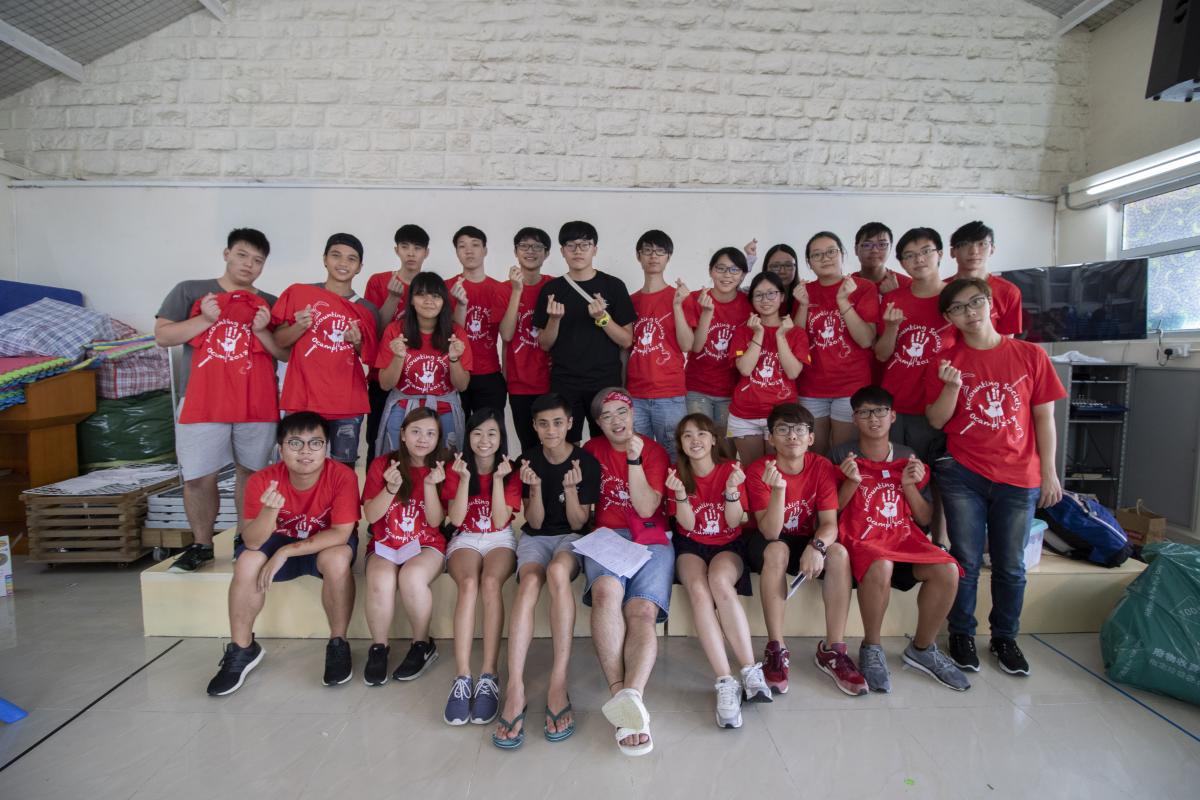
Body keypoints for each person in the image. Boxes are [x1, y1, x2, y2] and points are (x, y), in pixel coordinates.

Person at [926, 278, 1065, 677]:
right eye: (958, 308)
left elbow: (1044, 418)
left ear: (992, 304)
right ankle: (961, 634)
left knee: (1010, 564)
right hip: (964, 473)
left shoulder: (1030, 355)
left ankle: (1005, 637)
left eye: (975, 303)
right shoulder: (947, 360)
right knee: (965, 559)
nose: (969, 312)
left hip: (1020, 475)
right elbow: (936, 420)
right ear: (949, 317)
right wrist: (952, 387)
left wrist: (1050, 472)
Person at [155, 228, 284, 573]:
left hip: (256, 400)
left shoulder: (271, 302)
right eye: (242, 255)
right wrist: (204, 319)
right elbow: (163, 336)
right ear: (227, 254)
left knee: (253, 473)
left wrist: (262, 330)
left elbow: (285, 352)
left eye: (257, 260)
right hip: (202, 400)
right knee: (198, 476)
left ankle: (246, 540)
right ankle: (201, 544)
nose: (249, 265)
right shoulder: (191, 291)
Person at [206, 413, 359, 695]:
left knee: (338, 559)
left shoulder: (342, 476)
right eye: (295, 443)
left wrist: (287, 552)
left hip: (321, 545)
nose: (305, 452)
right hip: (274, 542)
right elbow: (252, 541)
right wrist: (270, 511)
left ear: (326, 447)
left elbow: (340, 533)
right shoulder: (262, 480)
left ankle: (338, 643)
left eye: (315, 443)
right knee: (247, 562)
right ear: (280, 448)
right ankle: (242, 648)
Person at [828, 387, 969, 693]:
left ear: (892, 416)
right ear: (854, 419)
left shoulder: (908, 457)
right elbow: (830, 512)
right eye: (865, 412)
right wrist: (850, 482)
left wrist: (909, 485)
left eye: (880, 411)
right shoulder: (841, 455)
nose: (873, 419)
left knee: (948, 569)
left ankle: (923, 648)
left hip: (903, 539)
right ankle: (872, 647)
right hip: (863, 541)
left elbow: (924, 517)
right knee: (881, 563)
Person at [493, 393, 601, 750]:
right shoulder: (528, 460)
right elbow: (535, 523)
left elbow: (579, 522)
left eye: (557, 423)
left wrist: (570, 489)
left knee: (556, 573)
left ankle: (558, 682)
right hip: (537, 537)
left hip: (572, 537)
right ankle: (515, 688)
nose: (551, 430)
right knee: (528, 583)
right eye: (543, 424)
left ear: (570, 423)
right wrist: (536, 488)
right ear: (534, 427)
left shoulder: (586, 462)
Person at [744, 403, 867, 697]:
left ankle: (832, 650)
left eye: (800, 430)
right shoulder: (760, 470)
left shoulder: (821, 466)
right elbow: (770, 532)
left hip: (806, 538)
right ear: (770, 438)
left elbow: (829, 523)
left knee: (838, 553)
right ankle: (776, 648)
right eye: (783, 430)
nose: (792, 436)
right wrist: (779, 490)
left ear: (811, 438)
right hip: (768, 539)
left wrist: (817, 545)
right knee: (777, 550)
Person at [581, 389, 671, 756]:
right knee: (605, 592)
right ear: (598, 423)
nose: (617, 421)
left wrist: (634, 460)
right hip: (608, 535)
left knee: (642, 610)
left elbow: (647, 508)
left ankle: (632, 696)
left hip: (651, 534)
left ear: (633, 413)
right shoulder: (591, 451)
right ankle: (623, 698)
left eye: (623, 411)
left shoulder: (654, 451)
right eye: (607, 416)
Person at [668, 413, 771, 730]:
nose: (695, 440)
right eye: (687, 435)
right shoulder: (676, 475)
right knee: (699, 592)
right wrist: (681, 495)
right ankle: (725, 681)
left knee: (719, 583)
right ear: (681, 444)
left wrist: (730, 490)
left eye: (701, 433)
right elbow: (688, 525)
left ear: (714, 439)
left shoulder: (731, 470)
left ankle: (750, 671)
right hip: (691, 544)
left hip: (728, 543)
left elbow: (733, 521)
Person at [361, 407, 453, 685]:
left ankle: (422, 645)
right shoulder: (383, 464)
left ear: (438, 438)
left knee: (412, 577)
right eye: (415, 431)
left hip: (426, 543)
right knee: (380, 579)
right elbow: (371, 516)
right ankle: (379, 648)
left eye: (430, 433)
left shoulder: (443, 467)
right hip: (386, 542)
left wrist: (430, 485)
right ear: (402, 434)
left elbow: (435, 522)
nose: (422, 439)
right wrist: (390, 489)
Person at [440, 409, 520, 726]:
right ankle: (462, 677)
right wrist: (464, 480)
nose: (484, 440)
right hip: (466, 537)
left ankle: (489, 674)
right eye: (477, 433)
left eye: (492, 433)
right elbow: (457, 519)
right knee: (469, 584)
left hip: (500, 537)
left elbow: (500, 520)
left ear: (501, 438)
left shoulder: (510, 470)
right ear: (468, 437)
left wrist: (498, 480)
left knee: (490, 583)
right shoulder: (456, 468)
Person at [272, 233, 381, 465]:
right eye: (336, 255)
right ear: (324, 259)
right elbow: (279, 341)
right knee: (299, 466)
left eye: (351, 259)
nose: (343, 263)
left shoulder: (367, 309)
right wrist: (299, 327)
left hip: (347, 401)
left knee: (344, 468)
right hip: (303, 398)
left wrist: (357, 342)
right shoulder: (299, 293)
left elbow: (371, 358)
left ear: (360, 267)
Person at [533, 221, 636, 443]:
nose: (577, 250)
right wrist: (554, 320)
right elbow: (545, 344)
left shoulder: (614, 286)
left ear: (595, 249)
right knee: (566, 444)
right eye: (571, 245)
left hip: (605, 381)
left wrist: (602, 318)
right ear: (562, 251)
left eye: (584, 244)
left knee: (609, 443)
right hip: (565, 381)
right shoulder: (551, 290)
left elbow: (626, 340)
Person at [875, 227, 956, 465]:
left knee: (935, 474)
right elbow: (881, 355)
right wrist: (892, 327)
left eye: (926, 251)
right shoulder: (894, 299)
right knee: (896, 471)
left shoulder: (955, 299)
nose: (919, 259)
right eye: (909, 255)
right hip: (896, 402)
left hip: (938, 404)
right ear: (901, 263)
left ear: (940, 254)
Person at [795, 231, 879, 457]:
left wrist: (843, 301)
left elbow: (866, 339)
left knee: (844, 455)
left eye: (831, 251)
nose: (825, 258)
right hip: (811, 387)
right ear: (809, 263)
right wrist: (802, 305)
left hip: (851, 386)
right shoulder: (804, 292)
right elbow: (797, 341)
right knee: (815, 454)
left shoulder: (862, 288)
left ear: (843, 254)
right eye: (817, 254)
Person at [375, 272, 472, 452]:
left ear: (444, 301)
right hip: (403, 407)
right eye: (421, 295)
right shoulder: (395, 330)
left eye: (435, 296)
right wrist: (398, 357)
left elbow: (462, 385)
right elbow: (385, 384)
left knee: (446, 464)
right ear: (411, 300)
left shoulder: (456, 333)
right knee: (397, 463)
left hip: (444, 408)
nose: (429, 301)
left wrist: (454, 358)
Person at [364, 224, 431, 462]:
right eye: (405, 247)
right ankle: (376, 483)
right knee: (378, 440)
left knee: (421, 444)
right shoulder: (379, 282)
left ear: (426, 253)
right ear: (396, 250)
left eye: (417, 248)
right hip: (383, 376)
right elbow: (375, 332)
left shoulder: (431, 286)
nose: (411, 253)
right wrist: (393, 298)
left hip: (420, 381)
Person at [727, 272, 810, 464]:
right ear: (751, 300)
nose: (765, 300)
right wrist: (758, 334)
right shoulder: (743, 331)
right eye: (758, 295)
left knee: (779, 470)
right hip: (744, 414)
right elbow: (745, 369)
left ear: (782, 297)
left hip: (782, 414)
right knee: (752, 469)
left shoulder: (796, 333)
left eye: (771, 293)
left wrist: (780, 336)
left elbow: (793, 372)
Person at [682, 247, 752, 457]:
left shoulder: (749, 305)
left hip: (732, 391)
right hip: (697, 388)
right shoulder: (696, 299)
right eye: (720, 268)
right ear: (710, 271)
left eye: (734, 270)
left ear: (742, 275)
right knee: (699, 450)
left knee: (725, 452)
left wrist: (751, 258)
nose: (727, 275)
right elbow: (695, 347)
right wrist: (707, 313)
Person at [628, 229, 690, 461]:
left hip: (669, 393)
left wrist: (677, 307)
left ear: (668, 257)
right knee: (639, 458)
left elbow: (687, 345)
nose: (653, 256)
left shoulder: (680, 296)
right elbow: (626, 346)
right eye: (648, 250)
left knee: (675, 456)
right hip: (636, 393)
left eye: (660, 251)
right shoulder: (630, 301)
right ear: (638, 256)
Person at [499, 227, 554, 455]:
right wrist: (517, 290)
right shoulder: (504, 289)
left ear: (547, 253)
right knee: (529, 448)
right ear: (515, 251)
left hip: (552, 381)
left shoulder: (554, 287)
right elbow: (507, 334)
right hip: (519, 382)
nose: (530, 251)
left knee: (553, 445)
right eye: (524, 246)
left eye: (537, 246)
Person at [449, 226, 511, 420]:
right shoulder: (446, 287)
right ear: (456, 252)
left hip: (489, 373)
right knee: (454, 433)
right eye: (462, 246)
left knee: (490, 431)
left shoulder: (500, 289)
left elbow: (507, 336)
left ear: (485, 250)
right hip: (454, 372)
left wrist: (506, 373)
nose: (469, 251)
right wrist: (460, 305)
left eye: (475, 245)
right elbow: (450, 333)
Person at [947, 220, 1023, 336]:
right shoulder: (940, 290)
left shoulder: (1008, 292)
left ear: (992, 249)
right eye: (964, 244)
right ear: (953, 252)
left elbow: (1006, 342)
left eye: (982, 244)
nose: (974, 251)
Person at [851, 222, 911, 296]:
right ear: (856, 249)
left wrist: (895, 296)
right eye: (867, 245)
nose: (874, 250)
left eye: (882, 244)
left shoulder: (908, 285)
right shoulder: (846, 285)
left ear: (890, 248)